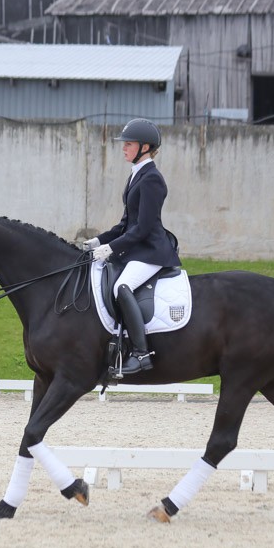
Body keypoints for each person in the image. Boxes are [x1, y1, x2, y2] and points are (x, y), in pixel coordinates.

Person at [83, 118, 180, 374]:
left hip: (151, 251)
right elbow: (126, 224)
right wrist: (98, 241)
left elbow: (144, 228)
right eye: (124, 144)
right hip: (138, 248)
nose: (124, 148)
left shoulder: (152, 179)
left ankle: (141, 353)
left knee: (121, 287)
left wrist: (111, 249)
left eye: (129, 144)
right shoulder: (136, 175)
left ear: (145, 147)